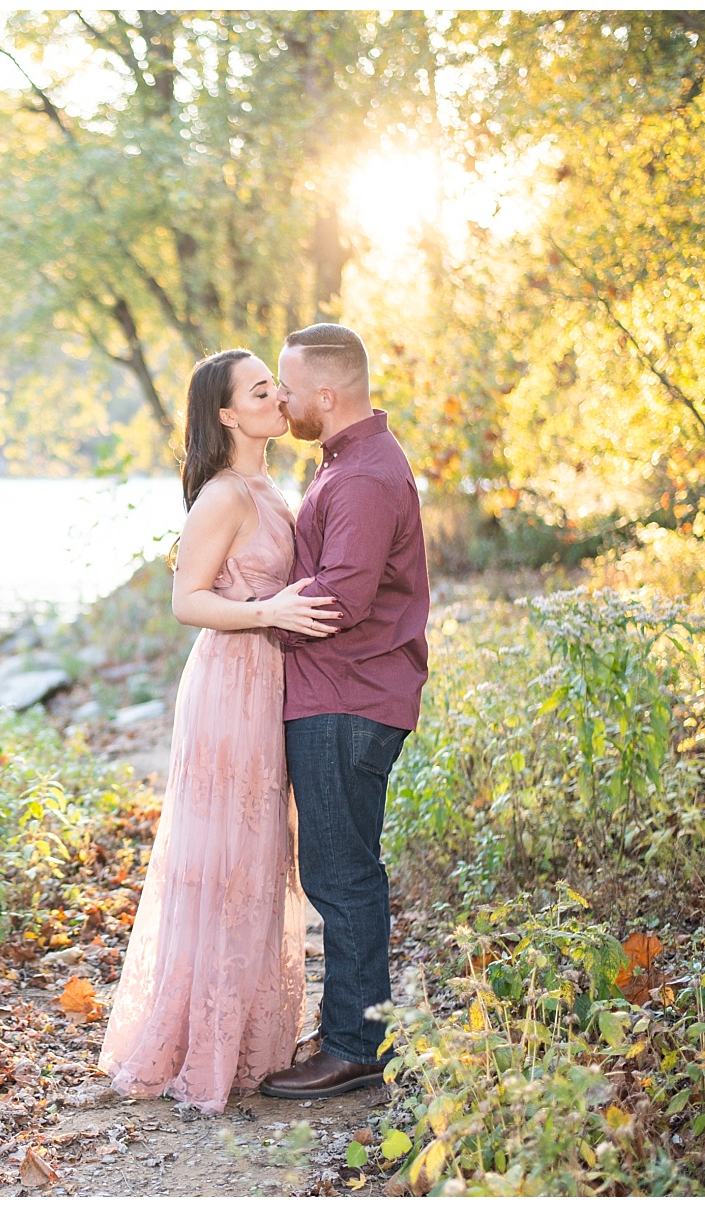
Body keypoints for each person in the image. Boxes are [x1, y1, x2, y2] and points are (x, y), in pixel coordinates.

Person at [98, 348, 341, 1114]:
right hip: (230, 681)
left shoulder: (271, 483)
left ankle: (246, 1037)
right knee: (224, 857)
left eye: (277, 385)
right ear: (228, 415)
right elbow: (187, 601)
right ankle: (199, 1039)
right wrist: (270, 611)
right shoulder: (224, 496)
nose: (279, 396)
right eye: (261, 390)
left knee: (262, 853)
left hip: (269, 680)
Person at [256, 323, 431, 1100]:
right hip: (343, 695)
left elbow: (341, 600)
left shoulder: (361, 476)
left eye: (289, 386)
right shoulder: (350, 463)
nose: (282, 398)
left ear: (326, 395)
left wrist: (245, 615)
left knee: (342, 874)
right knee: (344, 868)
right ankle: (356, 1031)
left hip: (345, 698)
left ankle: (355, 1046)